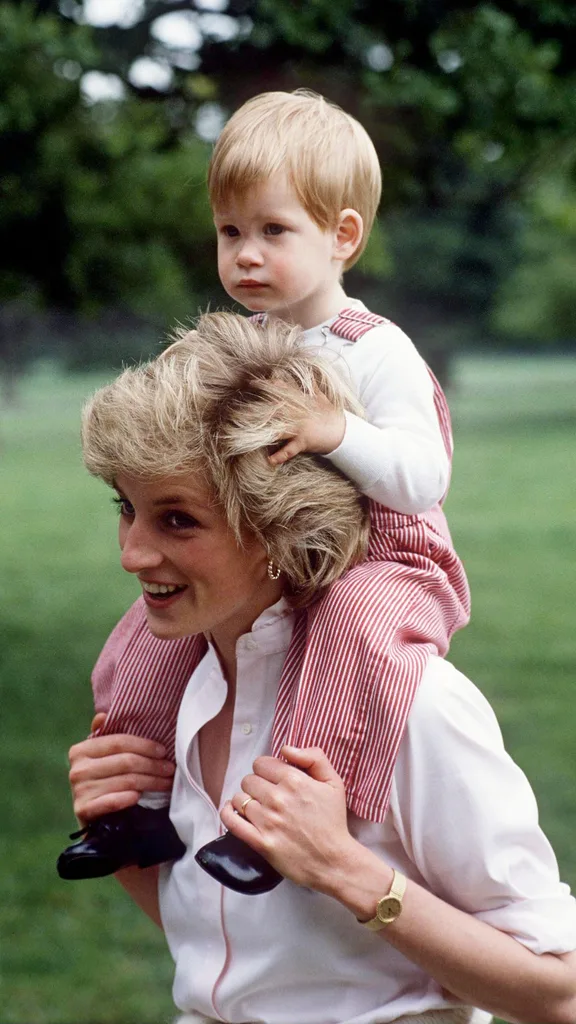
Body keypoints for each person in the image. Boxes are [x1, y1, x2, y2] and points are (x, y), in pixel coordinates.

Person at [66, 313, 576, 1024]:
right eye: (128, 508)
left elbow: (560, 990)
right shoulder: (180, 684)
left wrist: (345, 869)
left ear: (281, 523)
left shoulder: (413, 704)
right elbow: (240, 965)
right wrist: (123, 842)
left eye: (177, 520)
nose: (132, 553)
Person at [57, 89, 470, 881]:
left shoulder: (374, 348)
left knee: (351, 627)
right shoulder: (238, 339)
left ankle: (277, 819)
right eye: (230, 232)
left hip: (385, 560)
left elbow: (422, 480)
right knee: (142, 639)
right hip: (268, 552)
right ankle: (133, 812)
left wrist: (335, 431)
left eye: (273, 231)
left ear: (342, 235)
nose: (245, 254)